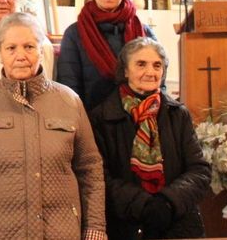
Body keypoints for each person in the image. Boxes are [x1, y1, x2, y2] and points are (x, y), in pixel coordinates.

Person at [0, 13, 106, 239]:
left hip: (61, 232)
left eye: (29, 46)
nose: (21, 56)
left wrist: (95, 229)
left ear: (41, 51)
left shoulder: (70, 101)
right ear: (0, 54)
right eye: (11, 48)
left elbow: (91, 171)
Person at [89, 39, 211, 239]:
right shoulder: (102, 117)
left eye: (157, 65)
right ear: (125, 71)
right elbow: (98, 178)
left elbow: (200, 170)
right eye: (141, 64)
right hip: (126, 225)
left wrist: (167, 202)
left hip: (177, 221)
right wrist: (143, 204)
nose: (150, 72)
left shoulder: (177, 113)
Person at [58, 0, 159, 110]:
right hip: (93, 121)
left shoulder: (144, 32)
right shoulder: (75, 34)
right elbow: (69, 87)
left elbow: (159, 79)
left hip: (140, 117)